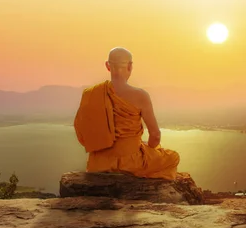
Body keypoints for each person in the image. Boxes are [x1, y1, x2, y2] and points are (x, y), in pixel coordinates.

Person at [74, 47, 180, 180]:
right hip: (131, 164)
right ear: (130, 66)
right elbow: (155, 135)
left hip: (99, 163)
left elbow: (81, 133)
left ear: (107, 66)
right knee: (173, 156)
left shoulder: (91, 94)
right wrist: (149, 149)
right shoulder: (140, 95)